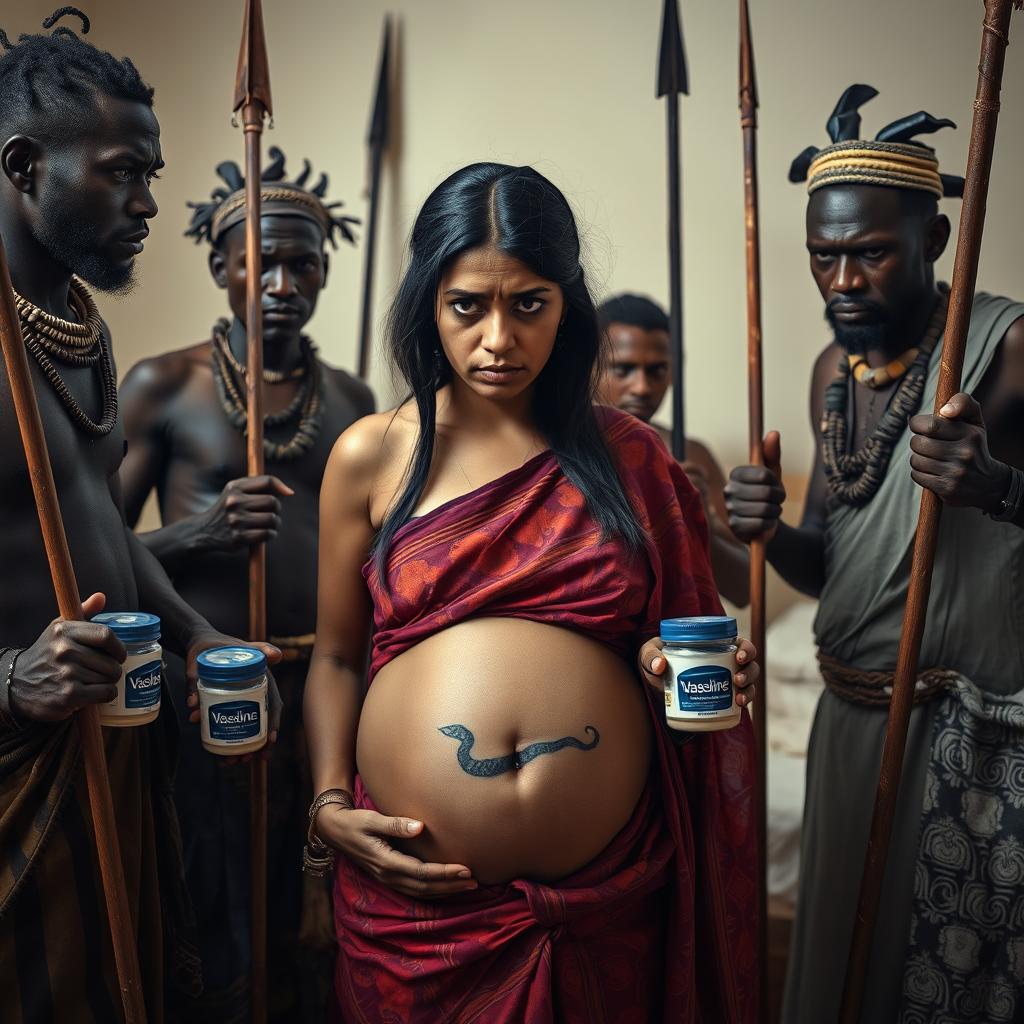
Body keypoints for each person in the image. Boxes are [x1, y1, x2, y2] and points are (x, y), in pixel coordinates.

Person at [303, 162, 760, 1023]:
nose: (497, 341)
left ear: (568, 304)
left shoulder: (634, 459)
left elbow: (674, 641)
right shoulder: (372, 454)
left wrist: (679, 664)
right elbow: (333, 657)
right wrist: (327, 805)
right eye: (467, 306)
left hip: (608, 903)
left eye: (530, 305)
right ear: (427, 304)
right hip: (417, 921)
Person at [0, 10, 280, 1022]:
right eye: (122, 172)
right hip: (13, 761)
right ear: (27, 165)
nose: (149, 202)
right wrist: (9, 682)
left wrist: (200, 633)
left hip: (114, 735)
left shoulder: (81, 325)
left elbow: (101, 534)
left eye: (151, 175)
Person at [725, 84, 1024, 1023]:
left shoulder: (1008, 347)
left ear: (936, 245)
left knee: (933, 981)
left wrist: (998, 487)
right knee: (841, 971)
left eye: (870, 254)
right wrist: (767, 532)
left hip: (960, 736)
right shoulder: (831, 372)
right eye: (824, 258)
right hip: (846, 723)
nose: (842, 282)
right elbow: (835, 576)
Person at [118, 149, 374, 1023]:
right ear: (222, 265)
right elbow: (94, 548)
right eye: (259, 259)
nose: (280, 280)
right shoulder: (166, 385)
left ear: (326, 269)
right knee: (211, 896)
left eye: (302, 261)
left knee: (306, 904)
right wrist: (200, 531)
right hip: (207, 688)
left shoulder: (351, 399)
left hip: (324, 688)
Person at [597, 293, 750, 606]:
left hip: (673, 639)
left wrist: (700, 519)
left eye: (656, 371)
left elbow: (745, 590)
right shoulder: (556, 446)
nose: (642, 387)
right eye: (623, 369)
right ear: (588, 366)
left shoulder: (690, 456)